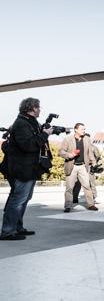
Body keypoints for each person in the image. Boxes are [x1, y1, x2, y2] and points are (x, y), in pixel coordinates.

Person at [1, 97, 53, 241]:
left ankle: (17, 227)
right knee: (18, 200)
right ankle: (7, 230)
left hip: (28, 168)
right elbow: (29, 145)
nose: (40, 110)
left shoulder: (29, 122)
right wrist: (44, 135)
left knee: (23, 199)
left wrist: (45, 133)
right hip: (23, 169)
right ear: (34, 108)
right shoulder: (22, 123)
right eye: (39, 107)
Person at [59, 123, 98, 212]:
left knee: (87, 186)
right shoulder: (67, 140)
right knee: (69, 187)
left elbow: (90, 153)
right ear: (75, 130)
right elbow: (61, 151)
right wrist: (69, 155)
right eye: (82, 129)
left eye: (84, 129)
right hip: (71, 166)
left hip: (83, 166)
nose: (83, 131)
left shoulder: (87, 139)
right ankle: (68, 206)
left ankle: (91, 205)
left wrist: (93, 162)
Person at [72, 133, 100, 203]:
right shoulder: (93, 147)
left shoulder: (78, 146)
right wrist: (94, 162)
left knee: (78, 182)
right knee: (91, 182)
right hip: (89, 166)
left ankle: (74, 197)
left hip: (80, 165)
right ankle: (93, 197)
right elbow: (97, 156)